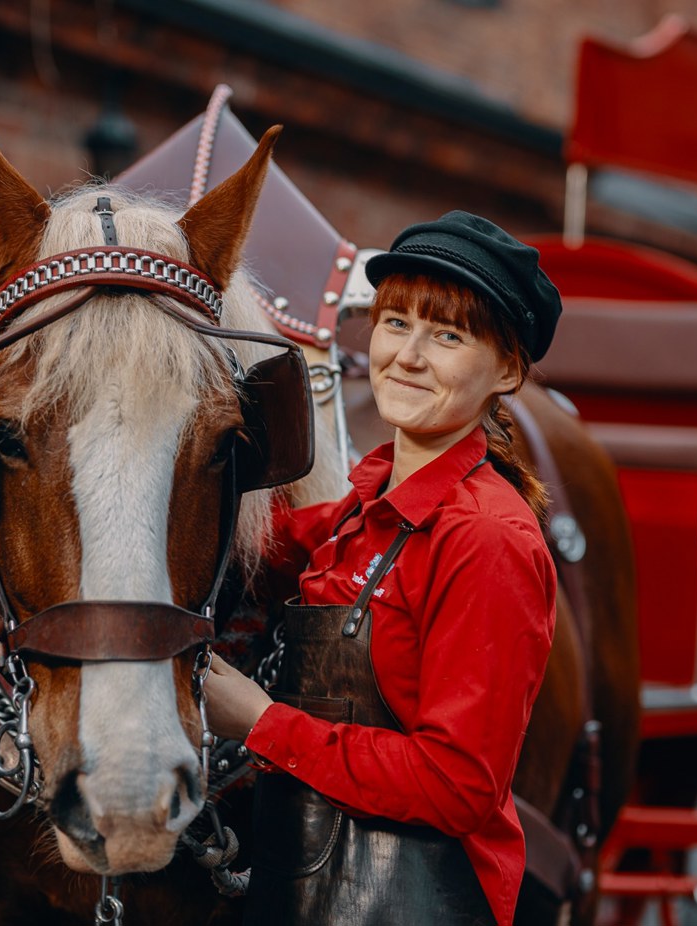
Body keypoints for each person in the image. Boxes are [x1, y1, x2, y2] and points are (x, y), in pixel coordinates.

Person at [205, 211, 563, 926]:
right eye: (396, 322)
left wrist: (261, 721)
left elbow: (460, 785)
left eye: (449, 334)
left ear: (508, 370)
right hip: (305, 891)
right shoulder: (355, 513)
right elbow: (246, 541)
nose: (408, 355)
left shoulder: (488, 539)